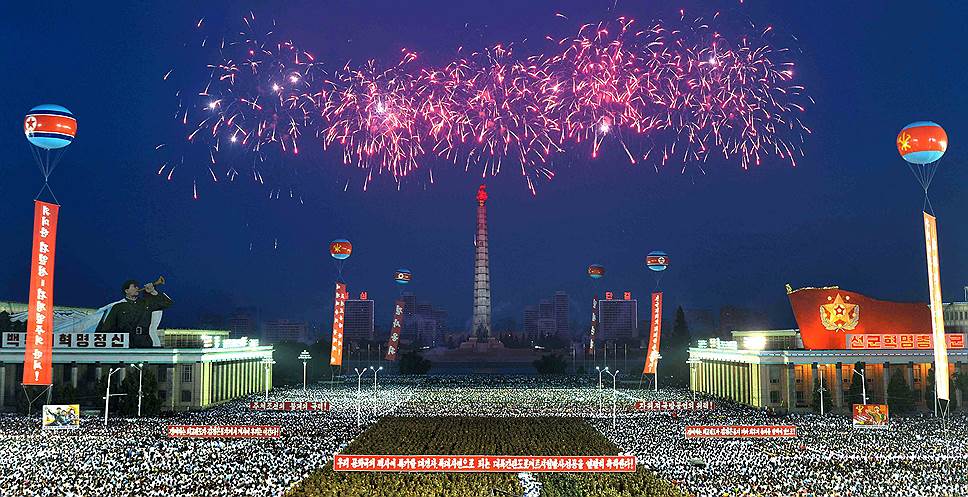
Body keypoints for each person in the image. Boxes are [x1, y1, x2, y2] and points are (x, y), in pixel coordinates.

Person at [97, 279, 172, 348]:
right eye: (134, 287)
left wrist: (153, 291)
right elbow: (107, 328)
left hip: (144, 340)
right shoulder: (118, 307)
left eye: (137, 286)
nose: (137, 288)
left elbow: (167, 303)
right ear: (126, 291)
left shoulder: (146, 303)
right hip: (125, 341)